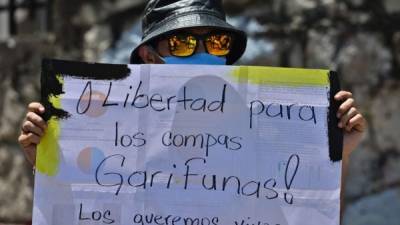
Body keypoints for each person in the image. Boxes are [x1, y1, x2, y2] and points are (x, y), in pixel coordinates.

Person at [18, 0, 365, 207]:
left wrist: (339, 154)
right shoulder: (109, 131)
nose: (203, 53)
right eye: (182, 43)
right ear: (149, 57)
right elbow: (82, 214)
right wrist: (47, 165)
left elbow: (307, 213)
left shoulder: (263, 127)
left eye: (216, 41)